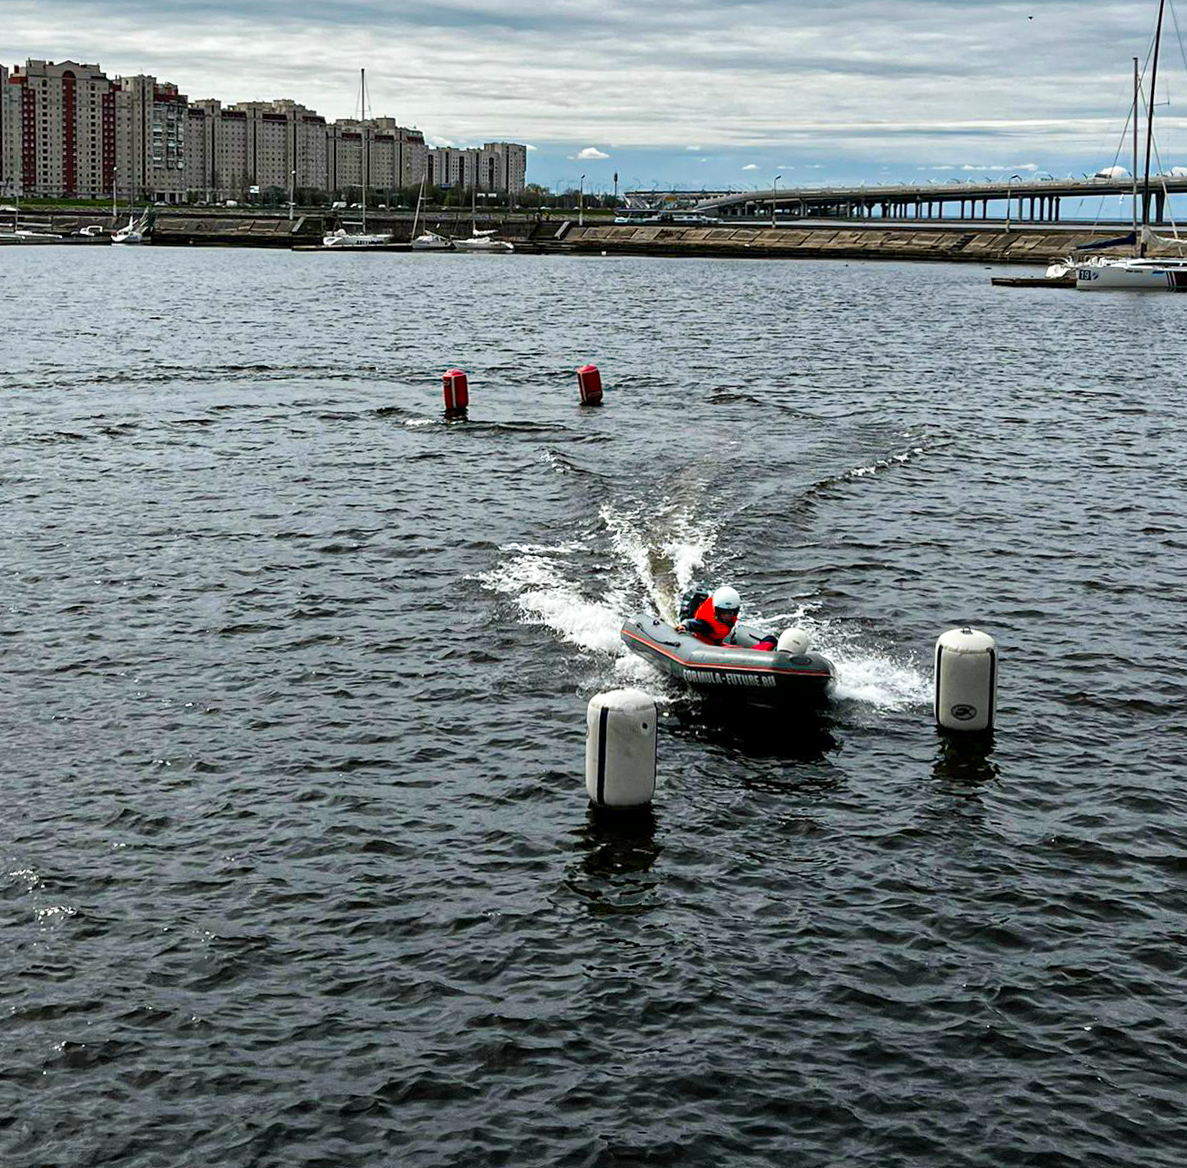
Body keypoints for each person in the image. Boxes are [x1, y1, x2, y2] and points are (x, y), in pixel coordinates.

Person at [675, 585, 777, 650]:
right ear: (717, 611)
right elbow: (690, 623)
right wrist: (683, 626)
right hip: (703, 647)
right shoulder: (705, 623)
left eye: (731, 612)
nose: (728, 616)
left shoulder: (729, 618)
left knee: (771, 640)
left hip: (717, 645)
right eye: (724, 613)